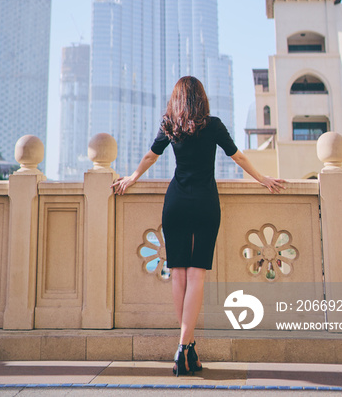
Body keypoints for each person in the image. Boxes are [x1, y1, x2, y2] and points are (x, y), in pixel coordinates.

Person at [112, 76, 285, 376]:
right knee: (196, 275)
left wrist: (131, 178)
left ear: (177, 99)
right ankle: (184, 347)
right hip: (205, 203)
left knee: (177, 273)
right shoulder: (213, 125)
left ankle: (187, 347)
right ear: (201, 98)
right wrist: (263, 179)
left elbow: (150, 156)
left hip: (176, 203)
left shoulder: (170, 125)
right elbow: (238, 156)